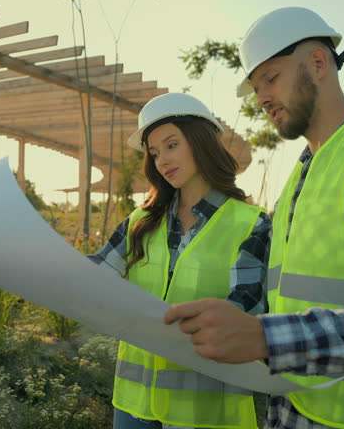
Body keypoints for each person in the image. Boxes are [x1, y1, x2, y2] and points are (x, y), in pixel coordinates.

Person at [164, 7, 344, 429]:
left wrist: (264, 337)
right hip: (295, 411)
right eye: (256, 85)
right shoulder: (302, 173)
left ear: (318, 63)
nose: (261, 97)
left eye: (271, 78)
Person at [88, 92, 271, 429]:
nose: (162, 160)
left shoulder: (251, 224)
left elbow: (246, 313)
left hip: (207, 413)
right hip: (134, 408)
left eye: (172, 145)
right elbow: (92, 282)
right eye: (155, 152)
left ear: (201, 142)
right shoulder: (140, 223)